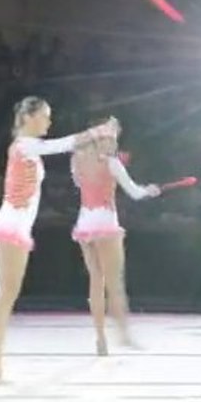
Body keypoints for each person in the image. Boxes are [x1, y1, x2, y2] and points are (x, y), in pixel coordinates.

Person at [0, 96, 119, 383]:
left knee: (7, 294)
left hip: (16, 225)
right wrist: (98, 132)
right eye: (45, 116)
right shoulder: (24, 144)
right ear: (29, 117)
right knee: (6, 295)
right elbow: (62, 145)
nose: (49, 121)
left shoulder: (26, 147)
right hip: (12, 225)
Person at [71, 140, 160, 355]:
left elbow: (78, 183)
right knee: (114, 284)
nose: (114, 142)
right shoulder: (111, 163)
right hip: (105, 223)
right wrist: (150, 190)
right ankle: (124, 335)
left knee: (95, 282)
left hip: (85, 223)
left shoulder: (77, 159)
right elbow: (134, 192)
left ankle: (101, 339)